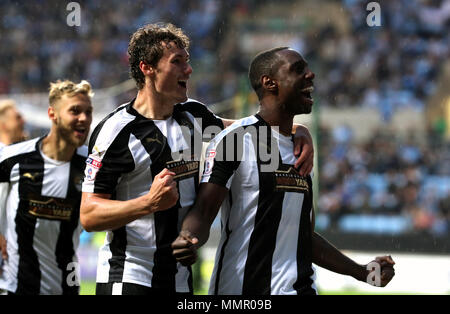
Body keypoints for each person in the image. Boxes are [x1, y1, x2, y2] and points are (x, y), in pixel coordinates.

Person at [80, 23, 314, 295]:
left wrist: (298, 130)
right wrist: (148, 203)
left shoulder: (193, 116)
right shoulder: (115, 132)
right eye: (176, 62)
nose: (188, 70)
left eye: (187, 62)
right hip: (131, 277)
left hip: (181, 280)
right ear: (147, 68)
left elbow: (251, 129)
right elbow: (89, 214)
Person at [172, 47, 396, 295]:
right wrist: (188, 237)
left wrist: (363, 272)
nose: (310, 75)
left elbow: (303, 237)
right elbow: (204, 212)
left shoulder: (302, 151)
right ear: (270, 83)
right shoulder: (234, 141)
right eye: (298, 69)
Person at [0, 80, 94, 295]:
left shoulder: (92, 164)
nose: (84, 118)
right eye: (75, 111)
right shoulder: (14, 158)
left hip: (67, 287)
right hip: (16, 287)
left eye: (88, 112)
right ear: (52, 115)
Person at [0, 99, 27, 269]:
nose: (23, 121)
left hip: (14, 248)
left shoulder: (19, 155)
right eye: (17, 117)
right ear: (3, 125)